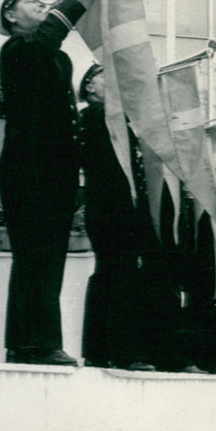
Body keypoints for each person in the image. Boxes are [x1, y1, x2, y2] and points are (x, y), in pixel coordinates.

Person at [0, 0, 97, 365]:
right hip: (28, 171)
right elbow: (46, 39)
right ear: (11, 16)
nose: (39, 0)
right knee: (37, 256)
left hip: (54, 171)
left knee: (45, 258)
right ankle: (39, 342)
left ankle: (24, 344)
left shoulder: (55, 55)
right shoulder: (18, 49)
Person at [76, 63, 156, 371]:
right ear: (90, 89)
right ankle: (122, 351)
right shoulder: (96, 115)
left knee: (110, 274)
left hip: (115, 205)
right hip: (110, 206)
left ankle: (99, 350)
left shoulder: (109, 117)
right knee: (119, 274)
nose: (111, 81)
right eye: (102, 77)